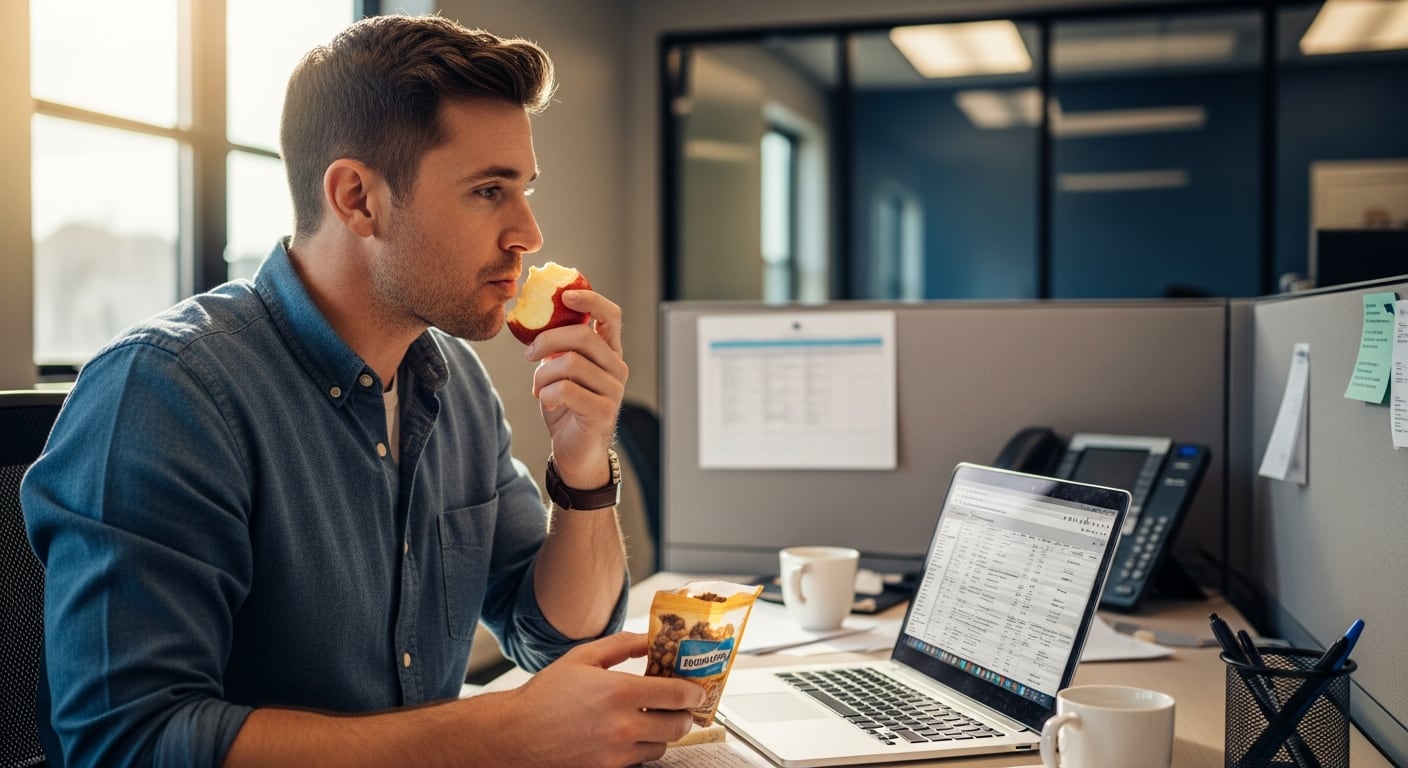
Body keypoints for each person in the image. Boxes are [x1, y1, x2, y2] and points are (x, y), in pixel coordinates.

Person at [22, 14, 702, 768]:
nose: (528, 233)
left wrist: (582, 462)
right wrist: (502, 732)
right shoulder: (166, 392)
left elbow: (556, 637)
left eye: (523, 190)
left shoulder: (454, 383)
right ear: (357, 198)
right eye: (488, 190)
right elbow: (127, 743)